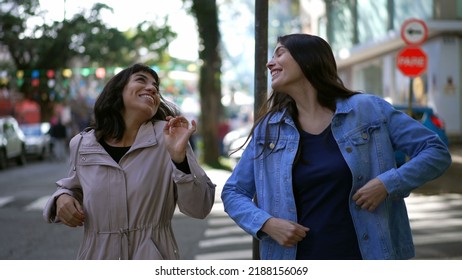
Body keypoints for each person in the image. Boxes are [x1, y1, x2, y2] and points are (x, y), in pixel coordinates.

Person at [221, 34, 452, 260]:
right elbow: (233, 192)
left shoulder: (368, 110)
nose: (269, 62)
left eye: (280, 53)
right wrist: (267, 224)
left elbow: (435, 150)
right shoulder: (269, 130)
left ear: (308, 59)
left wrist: (387, 183)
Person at [43, 63, 216, 260]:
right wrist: (62, 198)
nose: (152, 88)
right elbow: (73, 187)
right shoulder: (83, 144)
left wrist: (180, 160)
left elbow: (199, 208)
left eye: (155, 87)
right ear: (117, 92)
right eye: (141, 80)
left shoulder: (169, 137)